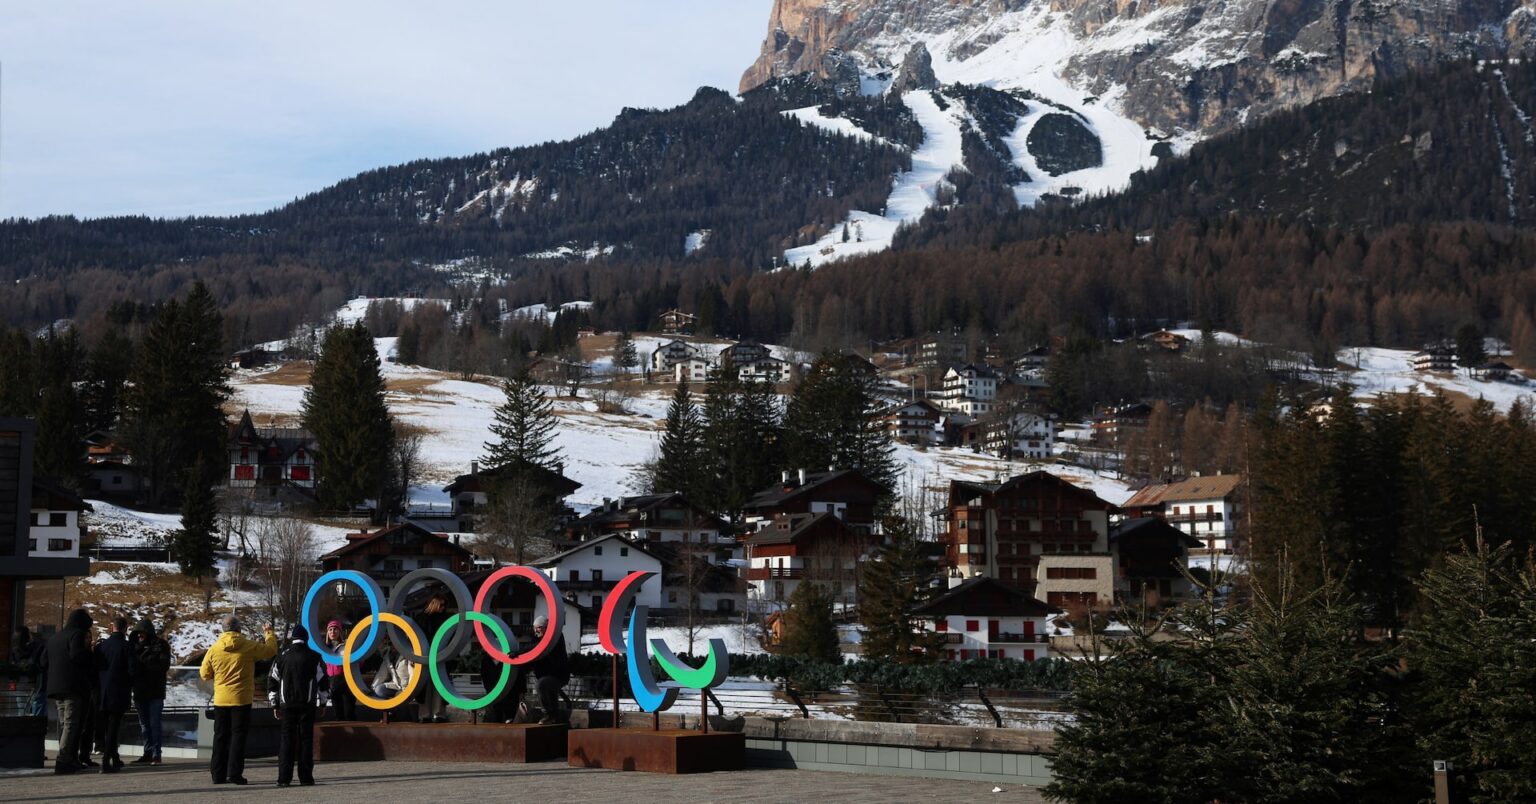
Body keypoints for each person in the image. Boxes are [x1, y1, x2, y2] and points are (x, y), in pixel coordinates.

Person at [199, 615, 277, 786]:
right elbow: (270, 650)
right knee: (238, 737)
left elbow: (204, 674)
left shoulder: (214, 649)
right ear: (239, 629)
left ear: (223, 630)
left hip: (221, 700)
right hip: (242, 699)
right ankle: (234, 774)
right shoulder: (248, 646)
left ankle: (217, 774)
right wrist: (269, 633)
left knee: (220, 737)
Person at [267, 625, 326, 787]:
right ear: (306, 639)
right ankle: (306, 778)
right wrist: (323, 702)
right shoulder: (315, 656)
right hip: (307, 705)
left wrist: (274, 703)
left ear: (292, 638)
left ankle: (284, 779)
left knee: (286, 740)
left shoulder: (282, 656)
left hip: (287, 705)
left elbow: (272, 680)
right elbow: (322, 682)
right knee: (306, 740)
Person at [39, 608, 95, 775]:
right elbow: (77, 655)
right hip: (73, 686)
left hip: (56, 688)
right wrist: (90, 655)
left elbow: (43, 661)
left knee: (64, 723)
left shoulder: (55, 637)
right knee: (71, 724)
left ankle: (69, 758)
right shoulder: (76, 634)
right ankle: (64, 760)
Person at [93, 617, 136, 774]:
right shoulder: (127, 647)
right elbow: (132, 671)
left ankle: (114, 757)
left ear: (112, 628)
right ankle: (106, 761)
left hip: (101, 692)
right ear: (125, 629)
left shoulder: (101, 647)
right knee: (113, 727)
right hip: (119, 692)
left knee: (105, 727)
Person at [130, 619, 171, 765]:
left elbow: (163, 665)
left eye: (142, 633)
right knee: (145, 724)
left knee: (154, 723)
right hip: (141, 691)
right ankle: (148, 752)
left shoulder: (160, 645)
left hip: (154, 691)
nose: (140, 636)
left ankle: (156, 754)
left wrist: (143, 665)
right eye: (138, 634)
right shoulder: (134, 646)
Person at [526, 615, 569, 725]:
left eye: (539, 627)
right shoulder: (536, 638)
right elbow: (530, 649)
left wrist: (519, 652)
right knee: (550, 693)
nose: (536, 630)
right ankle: (555, 719)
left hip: (558, 676)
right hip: (545, 675)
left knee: (541, 685)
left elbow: (537, 646)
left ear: (547, 627)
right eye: (534, 627)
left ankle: (547, 715)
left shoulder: (556, 637)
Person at [415, 594, 450, 722]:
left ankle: (437, 714)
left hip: (438, 657)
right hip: (428, 657)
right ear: (434, 604)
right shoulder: (423, 618)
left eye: (445, 605)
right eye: (441, 605)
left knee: (438, 686)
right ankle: (429, 715)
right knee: (426, 686)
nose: (443, 608)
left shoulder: (443, 618)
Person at [321, 620, 356, 721]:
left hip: (346, 681)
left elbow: (356, 662)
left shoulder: (346, 647)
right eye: (330, 629)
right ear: (327, 632)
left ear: (340, 632)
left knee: (349, 713)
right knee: (338, 714)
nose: (332, 632)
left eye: (335, 629)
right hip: (332, 683)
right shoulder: (325, 649)